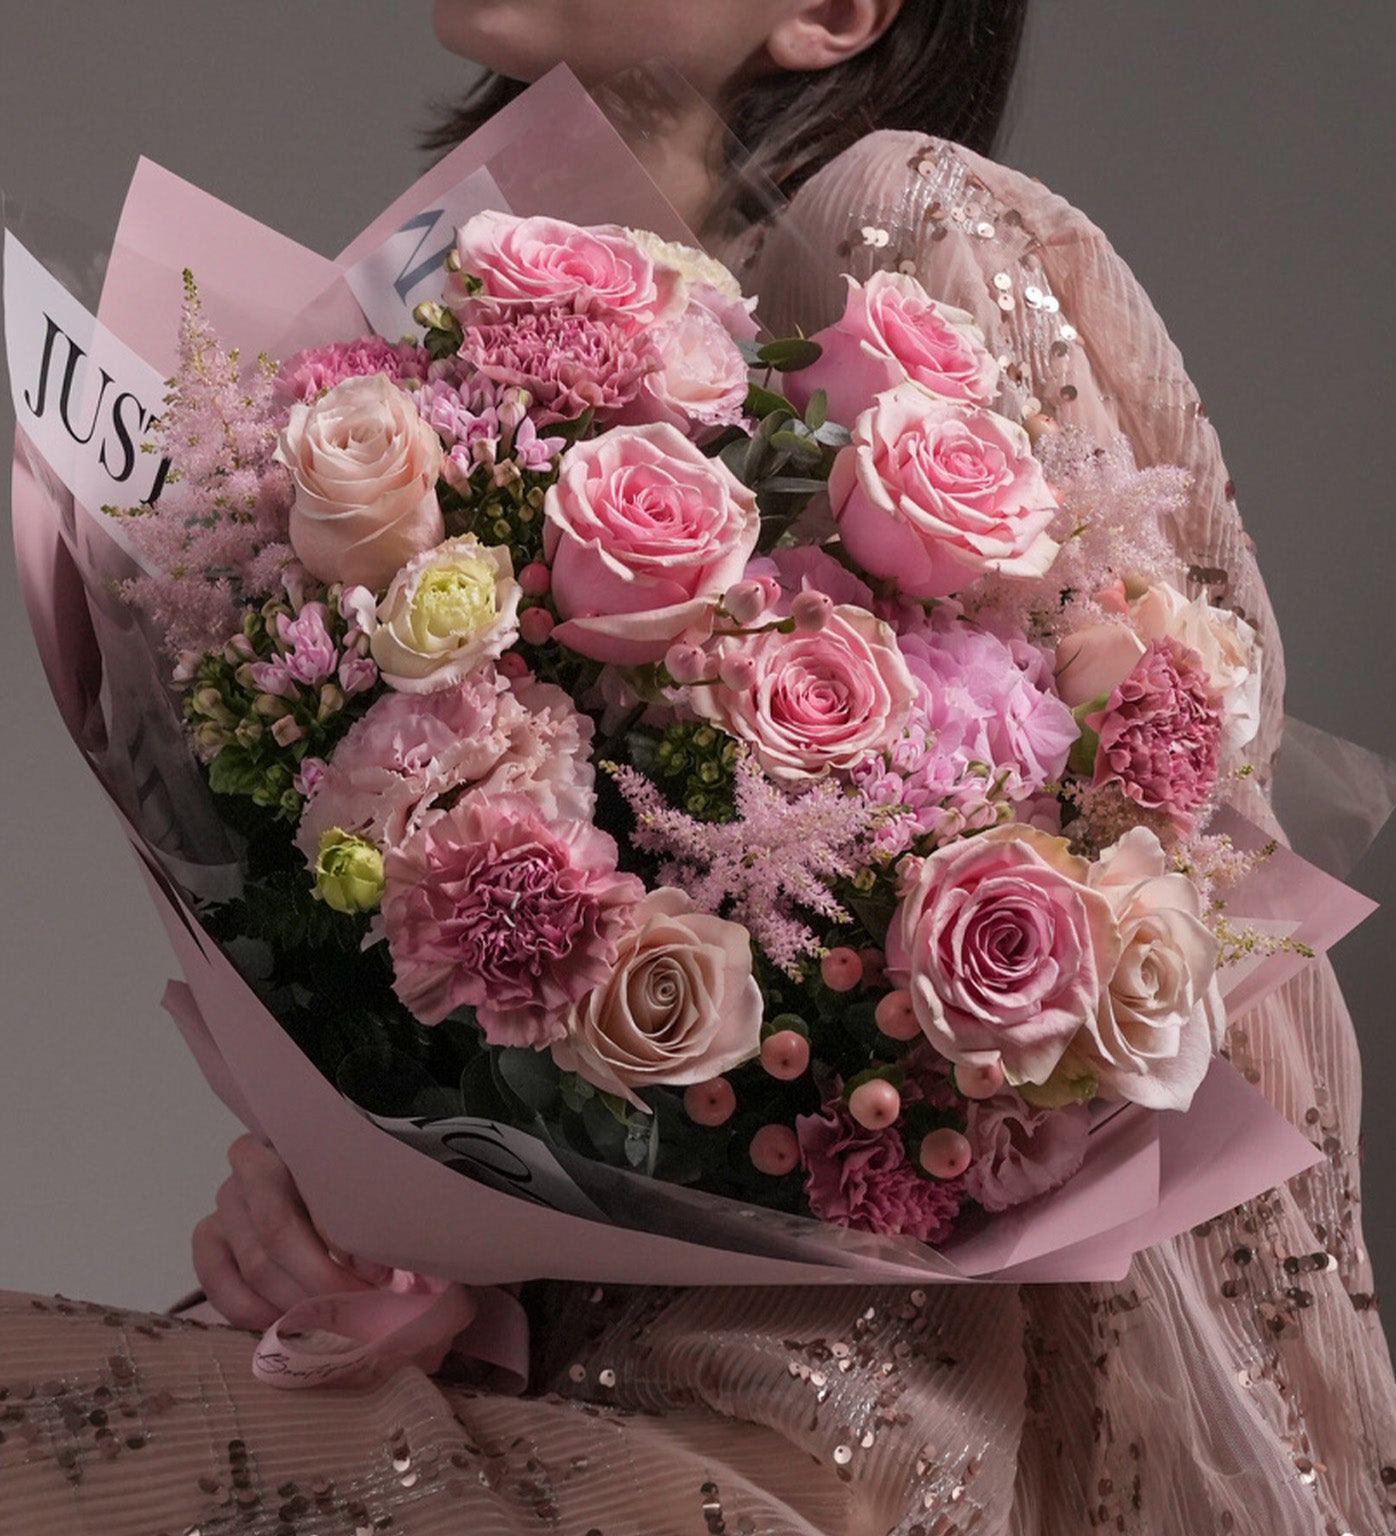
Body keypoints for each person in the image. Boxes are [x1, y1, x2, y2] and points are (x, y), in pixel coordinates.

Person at [3, 2, 1394, 1531]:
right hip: (558, 1375)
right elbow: (451, 1017)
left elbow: (1180, 855)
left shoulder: (899, 224)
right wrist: (348, 1213)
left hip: (829, 1429)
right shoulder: (444, 316)